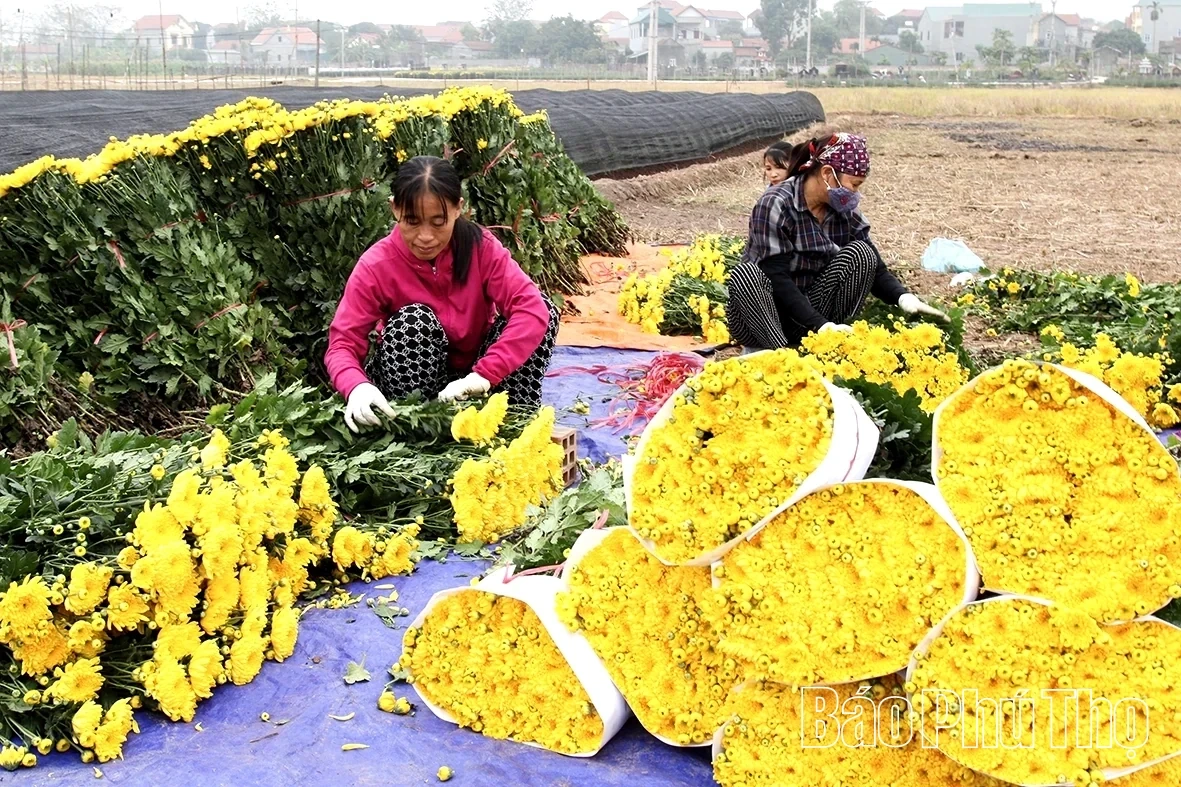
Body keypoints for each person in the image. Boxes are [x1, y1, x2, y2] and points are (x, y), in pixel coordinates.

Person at [325, 155, 560, 433]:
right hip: (410, 381)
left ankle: (511, 424)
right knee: (414, 321)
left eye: (438, 222)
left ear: (458, 208)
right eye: (412, 221)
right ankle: (418, 432)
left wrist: (484, 375)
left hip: (475, 379)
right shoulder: (377, 265)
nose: (425, 236)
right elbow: (342, 343)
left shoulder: (480, 248)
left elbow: (530, 308)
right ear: (394, 209)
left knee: (544, 309)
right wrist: (356, 386)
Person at [727, 132, 947, 350]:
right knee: (747, 275)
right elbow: (776, 276)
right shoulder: (777, 203)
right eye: (854, 184)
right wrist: (819, 324)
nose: (855, 193)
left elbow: (876, 267)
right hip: (764, 316)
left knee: (862, 254)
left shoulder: (843, 211)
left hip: (809, 312)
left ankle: (828, 343)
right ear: (827, 173)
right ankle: (778, 354)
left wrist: (904, 297)